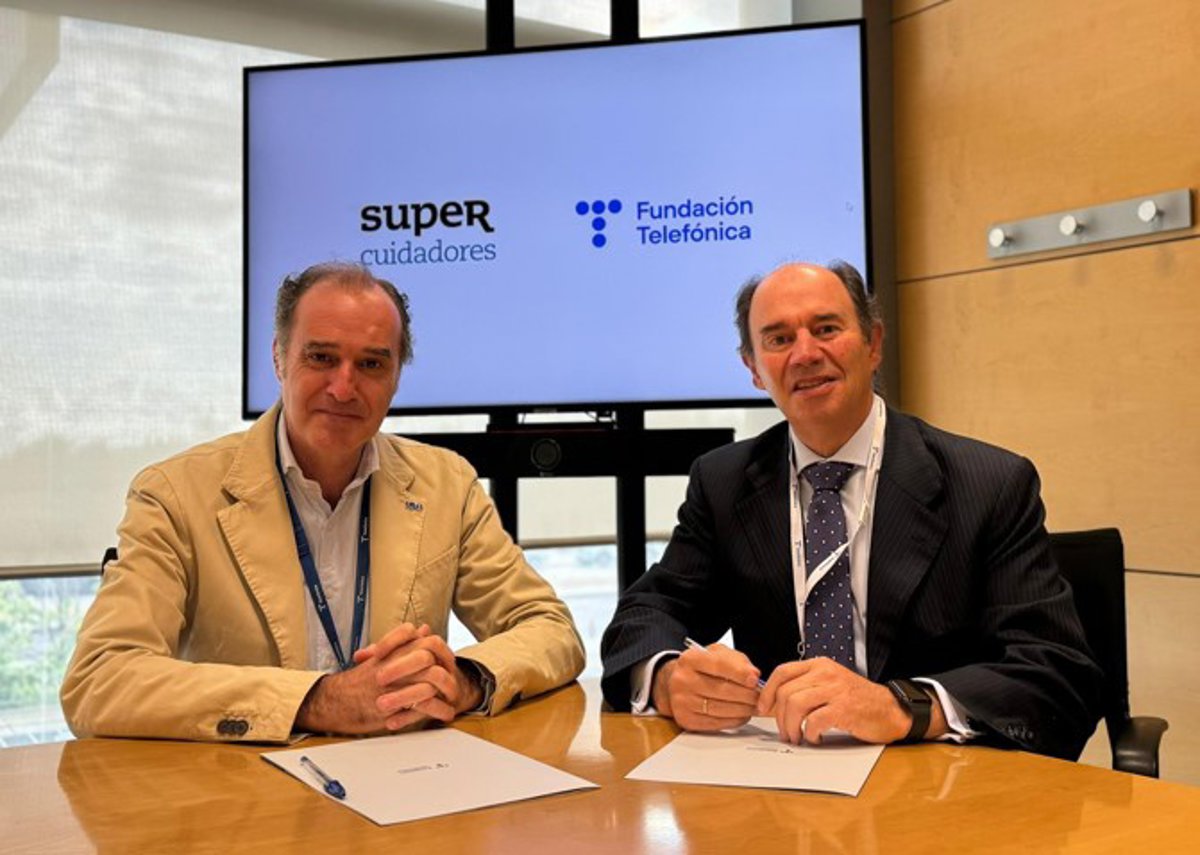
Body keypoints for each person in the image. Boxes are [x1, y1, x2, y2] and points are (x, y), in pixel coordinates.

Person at [600, 260, 1103, 760]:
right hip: (781, 773)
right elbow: (644, 615)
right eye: (778, 339)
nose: (805, 354)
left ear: (873, 343)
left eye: (826, 329)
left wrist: (905, 706)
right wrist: (667, 678)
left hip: (939, 778)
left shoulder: (988, 483)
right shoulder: (724, 482)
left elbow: (1058, 674)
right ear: (754, 369)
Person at [62, 261, 584, 741]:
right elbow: (100, 678)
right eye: (321, 357)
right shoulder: (175, 494)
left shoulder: (447, 484)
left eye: (372, 364)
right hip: (241, 793)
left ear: (396, 379)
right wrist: (317, 701)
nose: (343, 387)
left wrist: (464, 680)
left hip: (405, 785)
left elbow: (550, 628)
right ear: (278, 358)